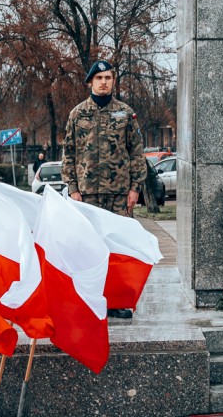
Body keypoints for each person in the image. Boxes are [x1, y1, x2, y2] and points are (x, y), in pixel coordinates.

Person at [62, 61, 147, 320]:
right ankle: (87, 299)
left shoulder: (126, 113)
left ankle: (115, 301)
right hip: (86, 195)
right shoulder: (77, 114)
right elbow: (69, 153)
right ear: (90, 81)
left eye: (108, 77)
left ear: (113, 81)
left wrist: (135, 188)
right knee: (87, 249)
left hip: (119, 195)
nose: (103, 82)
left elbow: (136, 152)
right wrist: (73, 188)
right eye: (99, 78)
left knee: (117, 249)